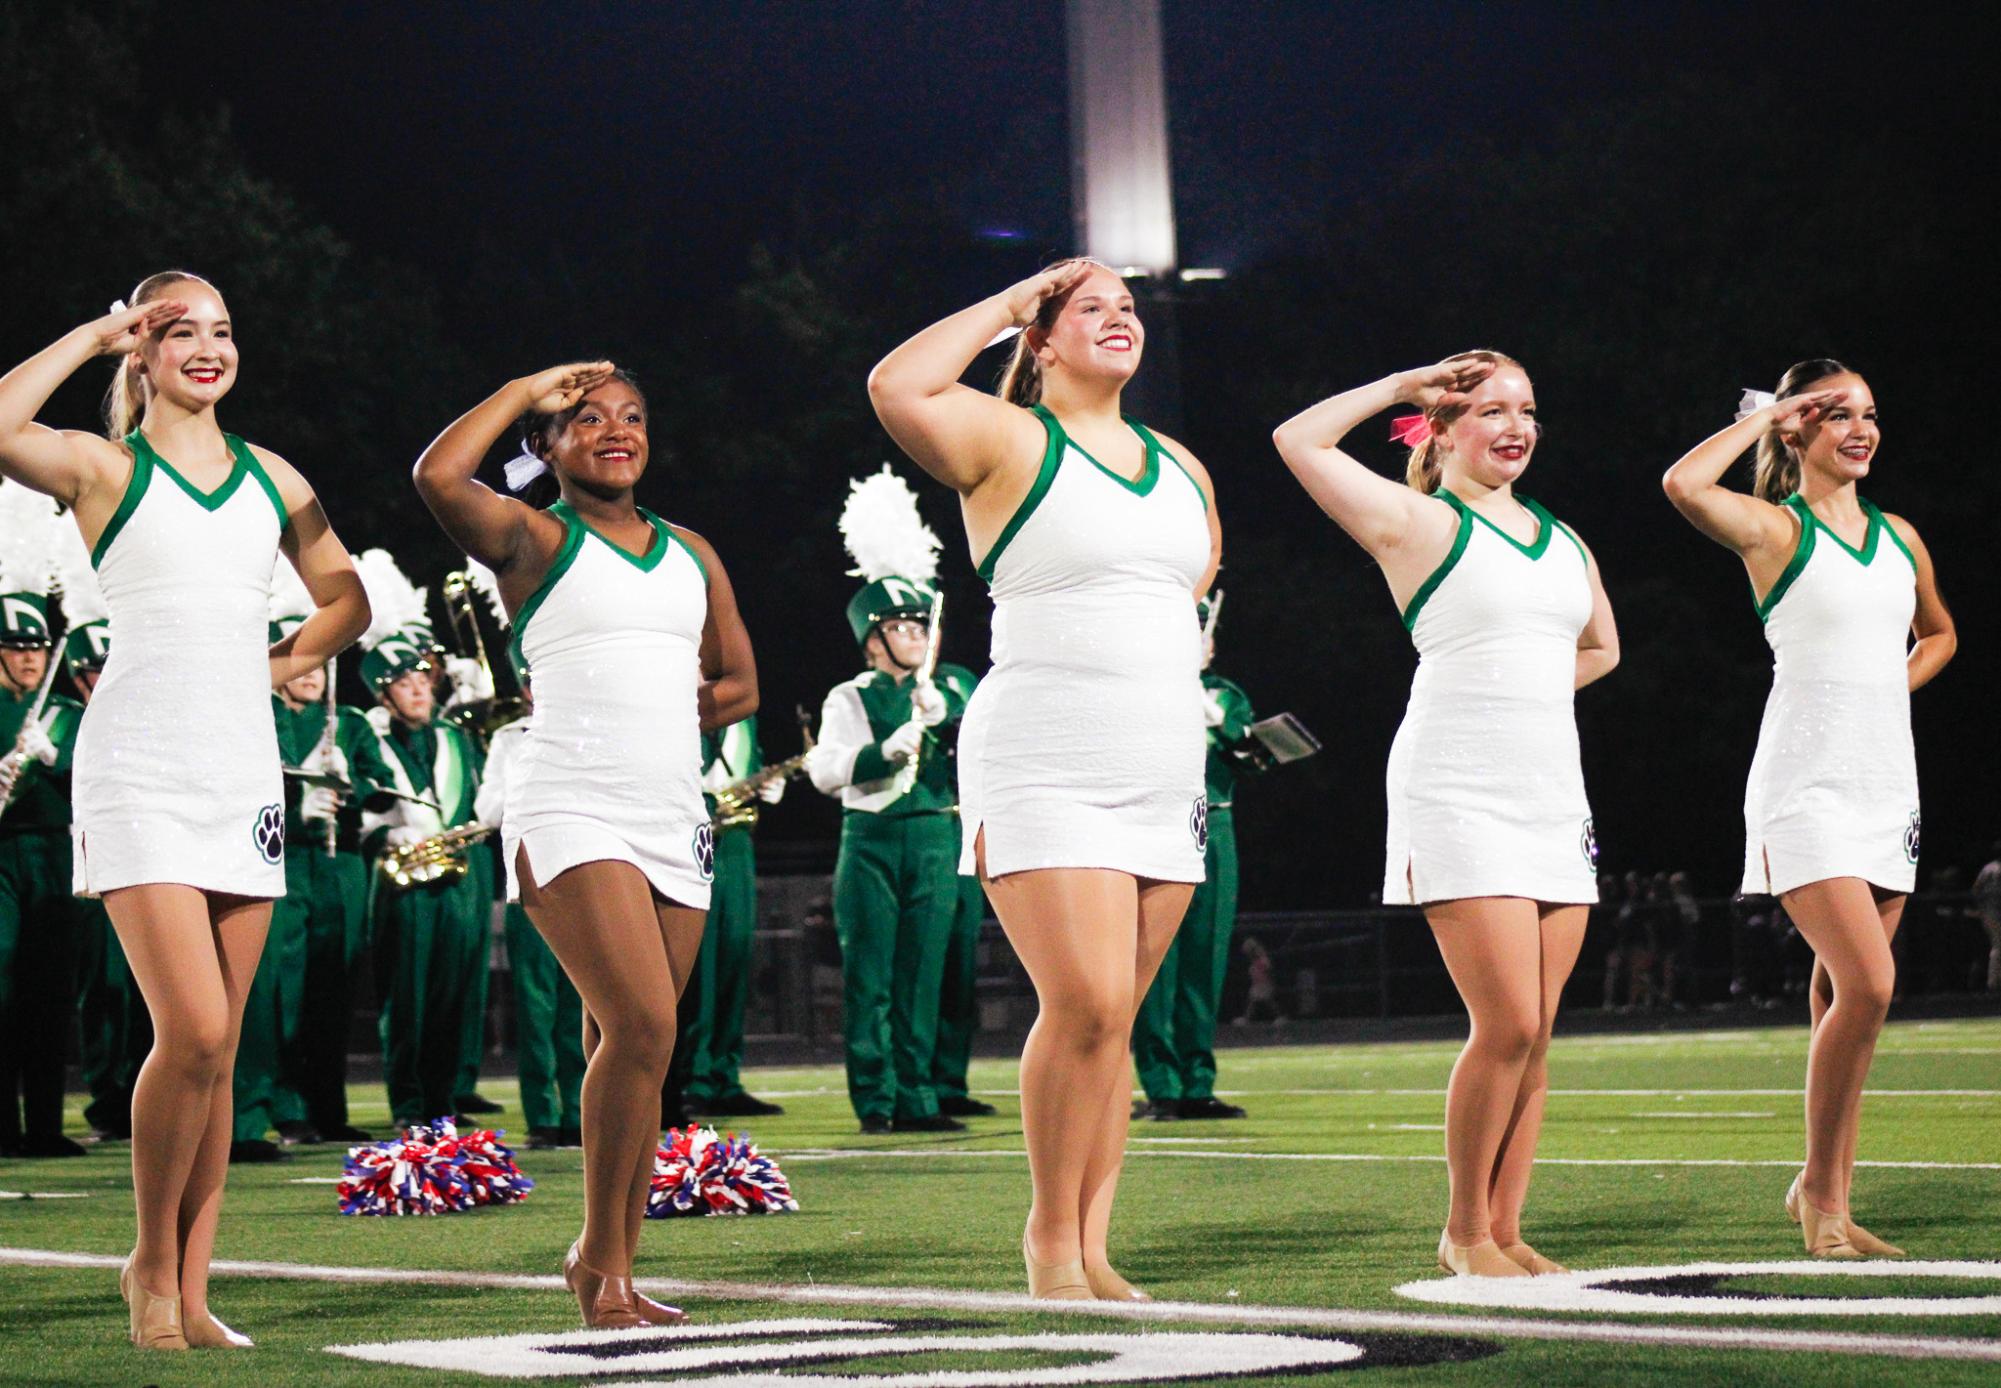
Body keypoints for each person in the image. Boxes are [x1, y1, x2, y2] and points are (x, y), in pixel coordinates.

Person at [0, 273, 368, 1349]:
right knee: (193, 1026)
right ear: (141, 352)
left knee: (223, 1047)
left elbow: (348, 594)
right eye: (177, 331)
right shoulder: (103, 465)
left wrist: (284, 657)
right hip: (138, 768)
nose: (206, 348)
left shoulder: (273, 476)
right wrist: (90, 331)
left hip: (242, 772)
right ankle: (147, 1262)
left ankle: (193, 1290)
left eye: (221, 330)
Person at [869, 260, 1220, 1300]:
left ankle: (1093, 1245)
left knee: (1119, 1019)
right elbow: (898, 386)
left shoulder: (1182, 463)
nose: (1119, 319)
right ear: (1045, 339)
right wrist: (1011, 303)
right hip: (1045, 751)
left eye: (1130, 308)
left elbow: (1195, 578)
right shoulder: (1010, 436)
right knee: (1087, 998)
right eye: (1090, 309)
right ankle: (1047, 1240)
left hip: (1160, 757)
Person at [413, 361, 755, 1328]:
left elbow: (738, 685)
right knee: (643, 1024)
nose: (617, 430)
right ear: (546, 447)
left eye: (634, 416)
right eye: (588, 419)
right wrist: (526, 389)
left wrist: (673, 710)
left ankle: (610, 1262)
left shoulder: (692, 551)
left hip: (668, 805)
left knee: (635, 1044)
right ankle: (599, 1268)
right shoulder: (531, 535)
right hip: (568, 797)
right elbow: (438, 478)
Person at [1274, 351, 1617, 1278]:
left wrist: (1527, 693)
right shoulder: (1415, 520)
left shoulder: (1562, 537)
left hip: (1550, 788)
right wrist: (1396, 386)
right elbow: (1295, 439)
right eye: (1492, 410)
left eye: (1528, 411)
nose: (1515, 426)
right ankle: (1463, 1232)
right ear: (1443, 427)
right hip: (1457, 785)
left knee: (1538, 1030)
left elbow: (1601, 649)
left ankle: (1507, 1229)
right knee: (1503, 1020)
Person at [1663, 360, 1955, 1257]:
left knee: (1843, 996)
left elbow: (1938, 632)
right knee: (1869, 986)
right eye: (1836, 417)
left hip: (1884, 783)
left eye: (1868, 414)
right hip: (1804, 784)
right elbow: (1682, 483)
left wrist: (1887, 691)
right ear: (1796, 431)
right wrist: (1770, 414)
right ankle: (1822, 1201)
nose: (1860, 430)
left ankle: (1820, 1186)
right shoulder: (1773, 531)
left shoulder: (1899, 536)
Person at [807, 485, 975, 1134]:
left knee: (921, 978)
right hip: (873, 838)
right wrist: (887, 748)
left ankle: (920, 1098)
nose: (911, 635)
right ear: (872, 642)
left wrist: (946, 719)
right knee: (871, 978)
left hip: (934, 837)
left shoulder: (949, 687)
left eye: (917, 625)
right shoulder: (849, 696)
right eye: (898, 627)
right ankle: (877, 1102)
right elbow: (826, 771)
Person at [229, 580, 396, 1161]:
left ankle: (326, 1110)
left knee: (333, 991)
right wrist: (294, 793)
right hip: (279, 860)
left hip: (340, 864)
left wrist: (352, 784)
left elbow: (381, 787)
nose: (311, 673)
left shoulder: (347, 721)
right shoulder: (255, 711)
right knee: (272, 992)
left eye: (320, 663)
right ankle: (257, 1114)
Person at [355, 607, 487, 1130]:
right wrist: (388, 832)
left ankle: (443, 1102)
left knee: (452, 994)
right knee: (406, 996)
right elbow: (362, 800)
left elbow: (475, 794)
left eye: (421, 680)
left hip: (457, 879)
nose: (417, 690)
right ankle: (409, 1106)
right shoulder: (370, 737)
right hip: (402, 884)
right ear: (384, 696)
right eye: (402, 683)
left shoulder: (455, 738)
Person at [1132, 596, 1263, 1122]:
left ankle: (1197, 1082)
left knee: (1204, 960)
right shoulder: (1141, 687)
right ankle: (1159, 1083)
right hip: (1157, 819)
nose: (1203, 641)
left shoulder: (1226, 695)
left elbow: (1249, 757)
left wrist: (1218, 721)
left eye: (1205, 631)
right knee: (1153, 960)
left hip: (1216, 822)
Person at [54, 556, 151, 1143]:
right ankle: (107, 1094)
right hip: (88, 857)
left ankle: (129, 1091)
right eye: (91, 671)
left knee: (147, 994)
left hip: (142, 850)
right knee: (103, 987)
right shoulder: (61, 719)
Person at [0, 491, 86, 1158]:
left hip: (55, 855)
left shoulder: (64, 711)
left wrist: (52, 761)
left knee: (50, 988)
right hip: (2, 855)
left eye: (34, 646)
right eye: (13, 647)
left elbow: (92, 774)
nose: (29, 658)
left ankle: (48, 1126)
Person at [475, 681, 584, 1149]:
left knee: (584, 1006)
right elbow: (487, 810)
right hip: (532, 881)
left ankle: (581, 1112)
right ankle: (543, 1115)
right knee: (536, 1008)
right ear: (525, 688)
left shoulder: (588, 730)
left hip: (585, 883)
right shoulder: (509, 739)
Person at [674, 713, 787, 1121]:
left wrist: (764, 784)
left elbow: (744, 762)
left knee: (734, 956)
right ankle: (692, 1077)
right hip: (693, 827)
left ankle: (724, 1076)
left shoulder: (745, 719)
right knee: (698, 964)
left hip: (736, 837)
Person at [931, 660, 997, 1120]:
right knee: (915, 974)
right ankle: (900, 1090)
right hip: (914, 827)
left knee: (959, 972)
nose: (914, 638)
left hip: (961, 825)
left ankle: (950, 1082)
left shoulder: (961, 682)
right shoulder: (856, 694)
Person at [1974, 844, 2001, 994]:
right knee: (1998, 946)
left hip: (1990, 911)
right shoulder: (1991, 868)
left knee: (1997, 946)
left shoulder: (1988, 868)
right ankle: (1993, 983)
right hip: (1992, 912)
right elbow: (1976, 889)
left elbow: (1976, 889)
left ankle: (1994, 982)